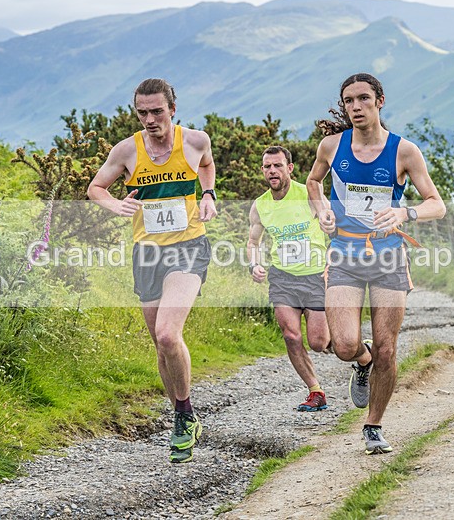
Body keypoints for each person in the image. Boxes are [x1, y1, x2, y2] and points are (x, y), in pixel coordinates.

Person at [306, 73, 446, 455]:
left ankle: (373, 424)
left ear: (379, 101)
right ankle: (360, 362)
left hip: (387, 256)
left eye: (363, 99)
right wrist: (322, 212)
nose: (355, 107)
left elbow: (437, 202)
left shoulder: (404, 151)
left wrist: (406, 215)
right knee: (345, 344)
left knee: (388, 347)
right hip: (345, 256)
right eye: (349, 101)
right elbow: (313, 183)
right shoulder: (332, 147)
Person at [87, 78, 217, 464]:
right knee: (162, 346)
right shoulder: (127, 150)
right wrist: (115, 206)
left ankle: (183, 416)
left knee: (166, 332)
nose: (149, 119)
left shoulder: (194, 141)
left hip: (189, 247)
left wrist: (208, 194)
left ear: (172, 109)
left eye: (156, 111)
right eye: (142, 113)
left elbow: (207, 166)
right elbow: (96, 187)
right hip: (147, 253)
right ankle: (182, 411)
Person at [247, 145, 332, 412]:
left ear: (290, 168)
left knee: (319, 343)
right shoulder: (260, 206)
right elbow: (253, 241)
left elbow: (334, 227)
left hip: (315, 275)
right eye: (267, 166)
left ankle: (358, 350)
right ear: (263, 170)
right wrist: (254, 264)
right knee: (291, 335)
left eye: (278, 165)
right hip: (282, 278)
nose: (272, 171)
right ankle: (315, 391)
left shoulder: (308, 194)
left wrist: (333, 262)